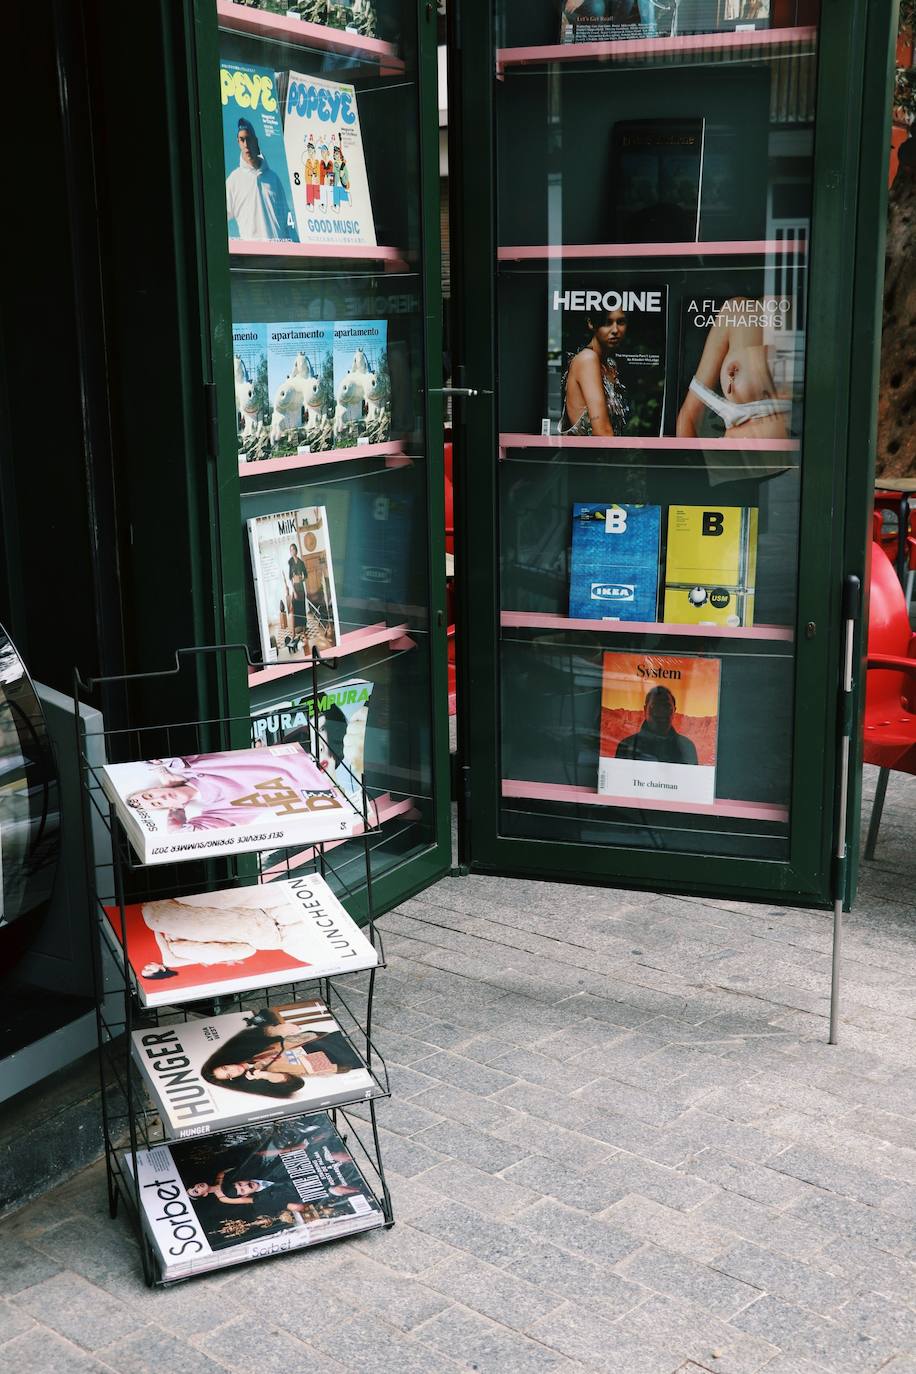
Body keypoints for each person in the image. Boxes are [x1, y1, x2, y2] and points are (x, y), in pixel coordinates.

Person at [125, 748, 337, 834]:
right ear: (168, 810)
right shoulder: (214, 814)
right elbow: (180, 836)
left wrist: (163, 770)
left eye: (150, 795)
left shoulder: (192, 768)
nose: (159, 798)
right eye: (156, 804)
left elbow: (157, 761)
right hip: (322, 788)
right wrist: (177, 812)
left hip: (307, 758)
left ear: (155, 786)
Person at [676, 297, 792, 441]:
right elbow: (689, 415)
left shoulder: (816, 313)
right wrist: (688, 462)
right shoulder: (735, 311)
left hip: (791, 461)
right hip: (726, 459)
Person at [201, 1007, 364, 1098]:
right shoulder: (252, 1082)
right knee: (359, 1055)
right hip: (318, 1062)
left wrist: (273, 1030)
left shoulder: (238, 1051)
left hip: (309, 1041)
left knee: (349, 1037)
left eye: (225, 1068)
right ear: (232, 1080)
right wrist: (264, 1075)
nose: (232, 1071)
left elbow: (253, 1034)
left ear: (222, 1062)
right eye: (229, 1075)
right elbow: (294, 1083)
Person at [559, 309, 630, 436]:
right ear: (591, 323)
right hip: (588, 454)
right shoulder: (587, 359)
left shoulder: (610, 365)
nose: (615, 330)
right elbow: (602, 431)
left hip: (606, 453)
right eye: (607, 322)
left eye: (620, 322)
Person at [225, 118, 294, 242]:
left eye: (249, 139)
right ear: (238, 142)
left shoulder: (273, 178)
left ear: (255, 141)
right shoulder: (233, 181)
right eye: (242, 140)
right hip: (252, 257)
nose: (246, 144)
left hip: (279, 255)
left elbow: (287, 221)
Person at [615, 685, 699, 765]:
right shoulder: (627, 746)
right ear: (645, 709)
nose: (661, 712)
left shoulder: (687, 748)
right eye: (655, 706)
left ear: (674, 711)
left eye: (666, 707)